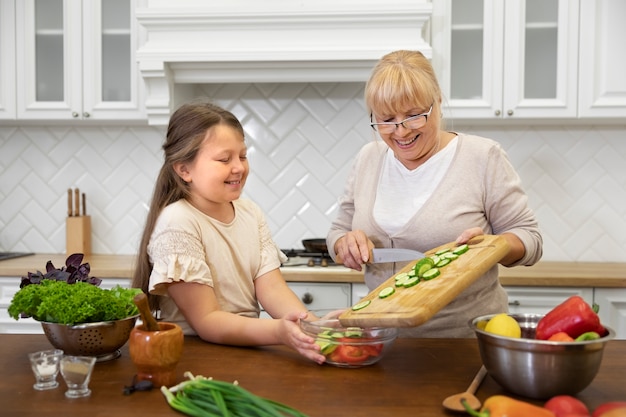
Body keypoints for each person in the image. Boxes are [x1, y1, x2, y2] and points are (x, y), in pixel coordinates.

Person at [327, 50, 543, 338]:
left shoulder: (482, 157)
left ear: (438, 101)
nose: (401, 131)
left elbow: (530, 237)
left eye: (415, 116)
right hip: (381, 339)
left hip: (462, 342)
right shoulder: (369, 157)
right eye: (386, 119)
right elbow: (338, 230)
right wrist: (345, 244)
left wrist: (491, 247)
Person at [132, 100, 325, 363]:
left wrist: (317, 329)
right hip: (196, 357)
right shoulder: (178, 221)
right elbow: (207, 321)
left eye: (243, 156)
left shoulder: (249, 212)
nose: (239, 167)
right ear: (184, 169)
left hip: (244, 351)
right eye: (225, 159)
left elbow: (272, 290)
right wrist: (279, 331)